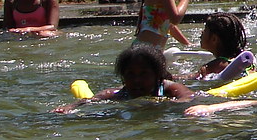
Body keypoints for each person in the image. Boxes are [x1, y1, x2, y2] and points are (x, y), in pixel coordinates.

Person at [55, 44, 193, 113]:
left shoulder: (168, 87)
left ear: (157, 75)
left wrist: (166, 105)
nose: (137, 80)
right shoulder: (119, 93)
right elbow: (90, 101)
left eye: (144, 74)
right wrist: (68, 107)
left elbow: (188, 96)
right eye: (130, 75)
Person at [194, 12, 248, 79]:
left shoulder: (212, 67)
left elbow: (190, 79)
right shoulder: (247, 61)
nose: (201, 32)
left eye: (205, 29)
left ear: (214, 39)